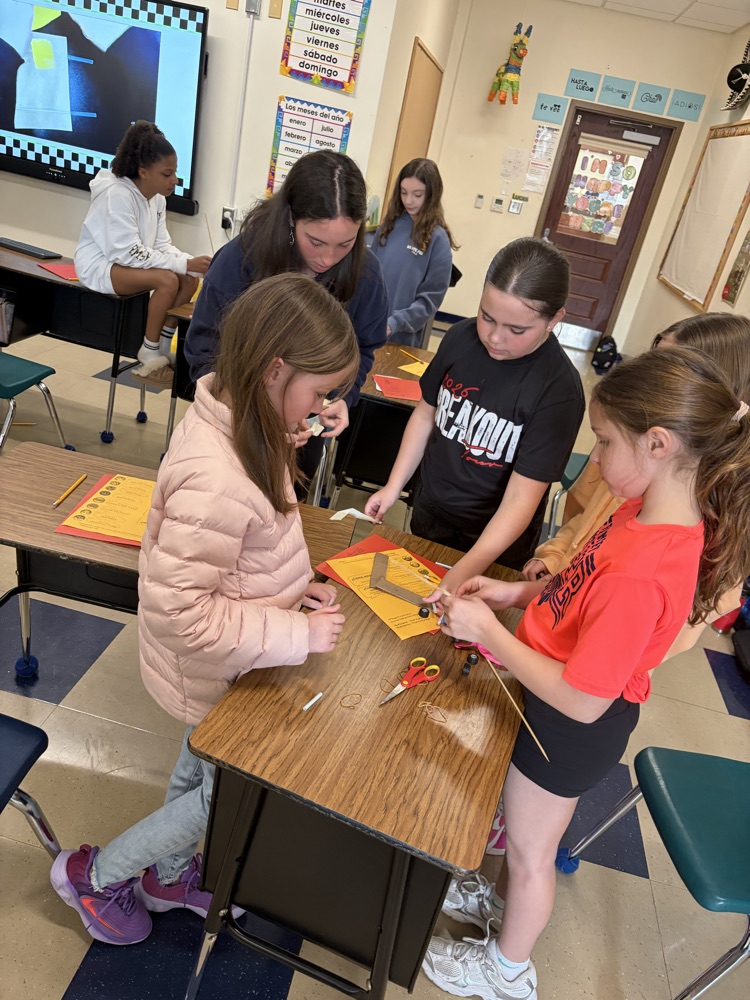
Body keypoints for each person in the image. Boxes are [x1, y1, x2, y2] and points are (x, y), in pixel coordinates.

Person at [422, 346, 750, 1000]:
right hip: (556, 700)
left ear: (657, 443)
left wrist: (489, 635)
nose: (594, 460)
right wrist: (514, 598)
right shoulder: (641, 512)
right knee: (521, 836)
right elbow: (577, 585)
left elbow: (581, 700)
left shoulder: (643, 571)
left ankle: (506, 971)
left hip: (568, 724)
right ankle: (498, 911)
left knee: (531, 853)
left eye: (603, 443)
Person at [49, 273, 358, 945]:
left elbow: (250, 537)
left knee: (200, 764)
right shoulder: (214, 472)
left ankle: (167, 874)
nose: (324, 406)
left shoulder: (245, 412)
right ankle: (99, 875)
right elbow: (183, 615)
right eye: (319, 392)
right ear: (275, 371)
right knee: (222, 794)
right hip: (217, 659)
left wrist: (288, 591)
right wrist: (296, 630)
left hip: (234, 666)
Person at [524, 312, 750, 655]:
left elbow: (652, 644)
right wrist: (555, 560)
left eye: (664, 372)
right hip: (554, 615)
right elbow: (581, 518)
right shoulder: (627, 451)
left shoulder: (710, 516)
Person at [365, 238, 585, 580]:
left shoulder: (558, 391)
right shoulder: (460, 338)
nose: (495, 338)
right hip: (432, 508)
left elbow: (520, 500)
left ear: (554, 319)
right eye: (487, 317)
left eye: (516, 329)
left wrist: (467, 570)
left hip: (494, 540)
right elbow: (426, 414)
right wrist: (393, 486)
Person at [185, 150, 388, 467]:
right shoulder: (241, 259)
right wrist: (244, 415)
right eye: (316, 242)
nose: (328, 258)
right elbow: (204, 347)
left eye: (345, 244)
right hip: (232, 425)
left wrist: (340, 399)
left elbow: (363, 346)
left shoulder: (366, 274)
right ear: (291, 218)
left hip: (302, 432)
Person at [74, 121, 211, 387]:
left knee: (189, 278)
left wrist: (191, 264)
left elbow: (161, 245)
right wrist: (183, 263)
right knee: (168, 279)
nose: (174, 180)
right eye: (167, 174)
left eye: (175, 173)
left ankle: (160, 345)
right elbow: (126, 253)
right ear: (143, 172)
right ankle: (148, 352)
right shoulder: (116, 194)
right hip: (101, 265)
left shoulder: (157, 198)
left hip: (127, 262)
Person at [371, 158, 458, 347]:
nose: (408, 201)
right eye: (404, 193)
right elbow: (369, 277)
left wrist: (394, 323)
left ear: (432, 195)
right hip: (369, 328)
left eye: (417, 195)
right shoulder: (388, 228)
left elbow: (429, 300)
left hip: (401, 338)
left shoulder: (438, 239)